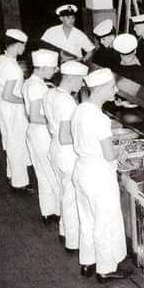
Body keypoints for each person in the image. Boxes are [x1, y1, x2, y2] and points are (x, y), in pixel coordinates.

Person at [71, 68, 130, 282]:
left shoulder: (80, 110)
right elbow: (108, 154)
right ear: (102, 88)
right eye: (112, 86)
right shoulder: (99, 118)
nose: (115, 90)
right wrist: (122, 151)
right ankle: (105, 269)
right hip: (99, 175)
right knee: (104, 221)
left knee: (87, 218)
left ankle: (88, 262)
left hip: (82, 169)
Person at [43, 61, 88, 252]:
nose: (82, 85)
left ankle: (64, 231)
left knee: (64, 193)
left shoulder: (51, 93)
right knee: (71, 198)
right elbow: (65, 136)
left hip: (55, 148)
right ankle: (73, 242)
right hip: (67, 153)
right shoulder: (66, 101)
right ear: (70, 78)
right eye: (80, 80)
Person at [0, 29, 33, 193]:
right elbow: (9, 95)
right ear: (17, 45)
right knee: (18, 144)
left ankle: (11, 173)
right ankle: (19, 182)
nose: (24, 48)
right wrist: (26, 101)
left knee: (9, 141)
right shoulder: (13, 68)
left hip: (2, 105)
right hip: (13, 107)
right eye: (24, 45)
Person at [22, 49, 61, 224]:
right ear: (44, 67)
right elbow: (35, 116)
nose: (55, 70)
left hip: (34, 133)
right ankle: (60, 213)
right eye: (53, 67)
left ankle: (48, 211)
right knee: (52, 173)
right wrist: (56, 119)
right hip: (41, 133)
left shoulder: (31, 82)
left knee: (43, 174)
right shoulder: (37, 86)